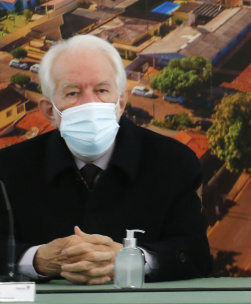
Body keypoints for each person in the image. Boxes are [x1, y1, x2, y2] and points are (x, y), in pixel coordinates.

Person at [0, 35, 212, 284]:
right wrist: (37, 260)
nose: (90, 104)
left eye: (102, 90)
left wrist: (131, 259)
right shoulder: (7, 168)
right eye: (72, 93)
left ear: (121, 102)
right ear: (49, 110)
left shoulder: (174, 162)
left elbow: (196, 254)